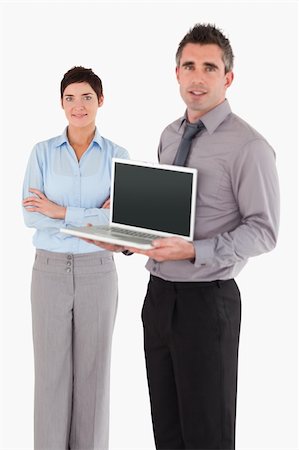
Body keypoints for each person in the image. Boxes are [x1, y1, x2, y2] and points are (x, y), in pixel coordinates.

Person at [86, 24, 280, 450]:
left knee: (207, 436)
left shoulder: (250, 147)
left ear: (227, 78)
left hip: (207, 305)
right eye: (189, 65)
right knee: (168, 433)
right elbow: (162, 222)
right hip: (158, 300)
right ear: (176, 73)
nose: (197, 77)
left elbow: (264, 231)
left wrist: (197, 249)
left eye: (209, 67)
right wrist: (119, 236)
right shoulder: (170, 135)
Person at [22, 66, 129, 450]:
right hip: (48, 269)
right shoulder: (43, 152)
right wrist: (93, 216)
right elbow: (31, 213)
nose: (78, 106)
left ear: (100, 101)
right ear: (61, 103)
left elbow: (121, 223)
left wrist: (60, 212)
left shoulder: (118, 155)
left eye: (86, 97)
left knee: (94, 377)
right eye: (70, 97)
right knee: (50, 376)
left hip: (98, 272)